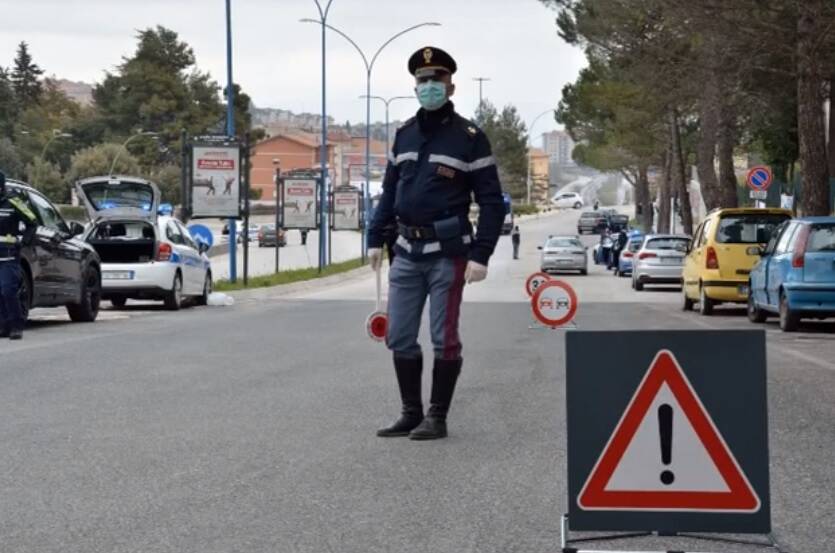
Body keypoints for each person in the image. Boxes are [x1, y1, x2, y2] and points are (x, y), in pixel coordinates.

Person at [367, 46, 505, 440]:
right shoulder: (405, 134)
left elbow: (491, 202)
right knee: (399, 335)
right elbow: (389, 191)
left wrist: (482, 254)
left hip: (449, 254)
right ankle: (410, 412)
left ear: (451, 84)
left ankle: (437, 416)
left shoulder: (470, 139)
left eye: (436, 79)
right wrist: (376, 238)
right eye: (422, 80)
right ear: (415, 85)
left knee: (443, 337)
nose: (429, 86)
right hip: (406, 252)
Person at [0, 171, 38, 340]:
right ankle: (3, 326)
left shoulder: (13, 202)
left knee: (8, 290)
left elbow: (32, 221)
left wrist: (24, 242)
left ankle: (16, 325)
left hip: (8, 254)